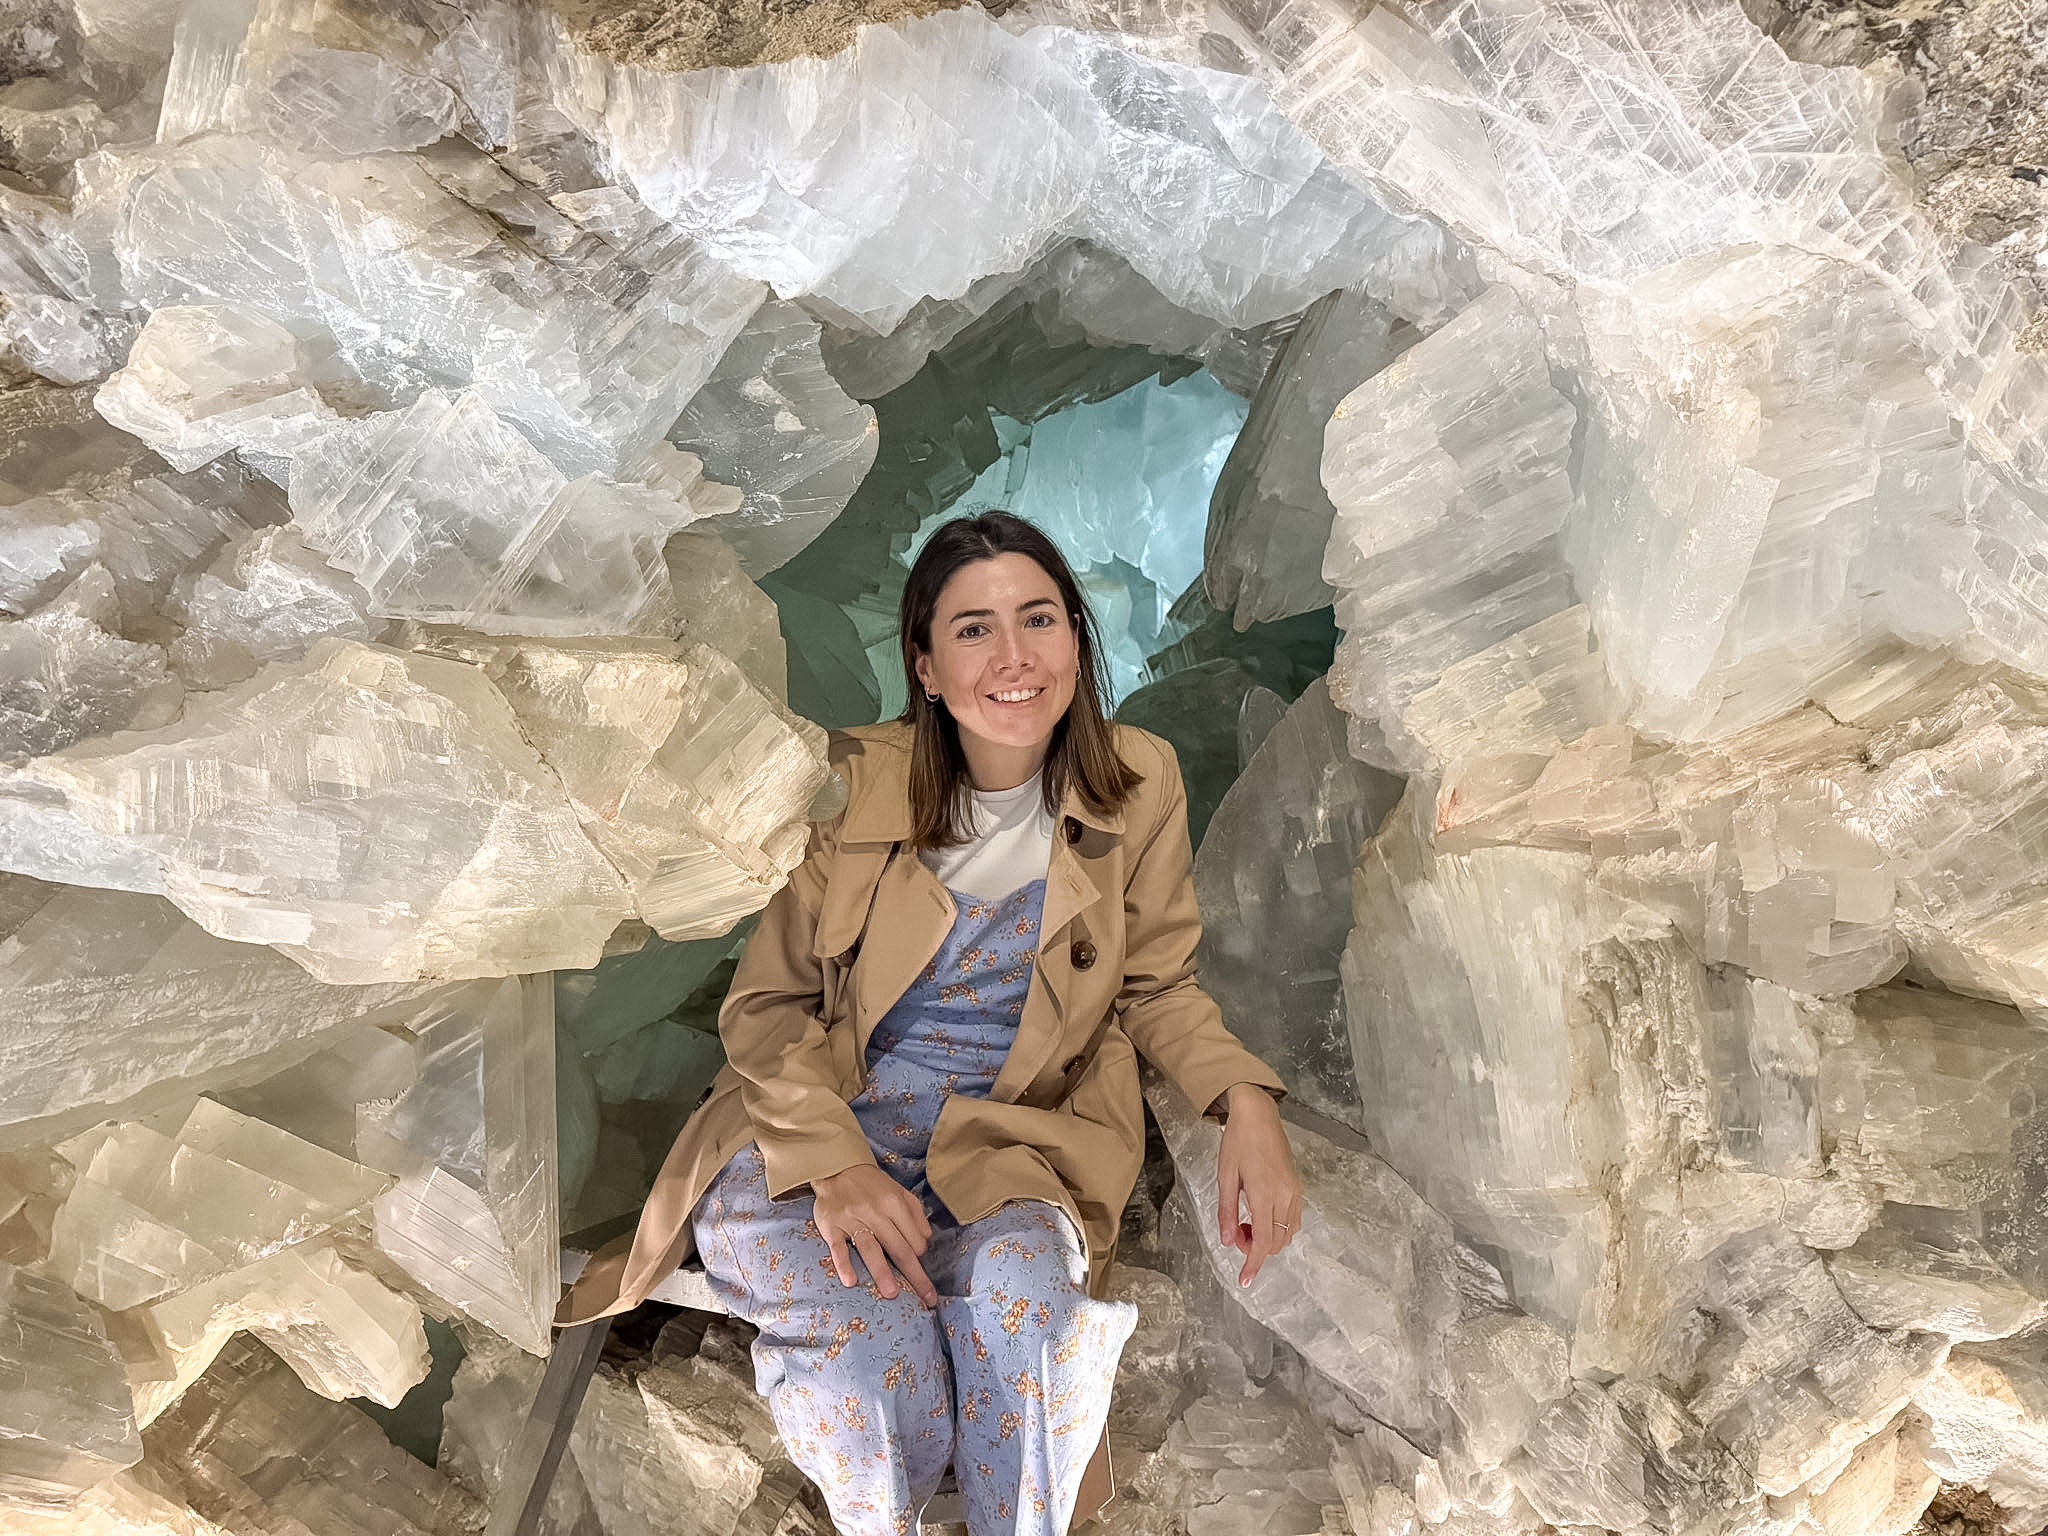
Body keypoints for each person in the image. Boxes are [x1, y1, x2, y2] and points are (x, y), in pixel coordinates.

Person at [561, 512, 1304, 1536]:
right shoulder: (849, 785)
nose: (1012, 656)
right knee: (876, 1368)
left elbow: (1155, 986)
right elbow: (767, 1008)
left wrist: (1245, 1102)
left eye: (1037, 618)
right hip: (819, 1128)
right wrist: (839, 1169)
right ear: (922, 663)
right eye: (971, 629)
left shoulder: (1136, 782)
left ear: (1075, 641)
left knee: (1030, 1324)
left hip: (1008, 1143)